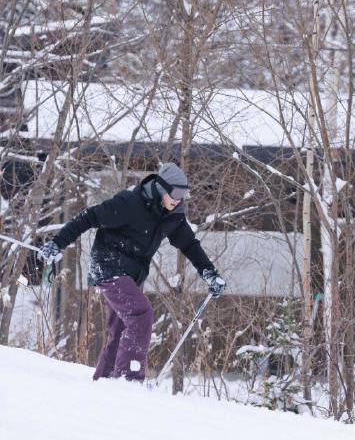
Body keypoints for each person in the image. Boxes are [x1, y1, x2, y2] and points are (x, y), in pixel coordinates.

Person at [38, 163, 226, 382]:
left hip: (132, 275)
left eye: (184, 194)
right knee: (140, 314)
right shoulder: (129, 203)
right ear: (161, 188)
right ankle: (130, 380)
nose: (179, 199)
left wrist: (210, 273)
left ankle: (105, 380)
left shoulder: (173, 215)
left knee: (119, 328)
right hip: (108, 266)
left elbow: (190, 245)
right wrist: (58, 243)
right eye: (175, 193)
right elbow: (88, 217)